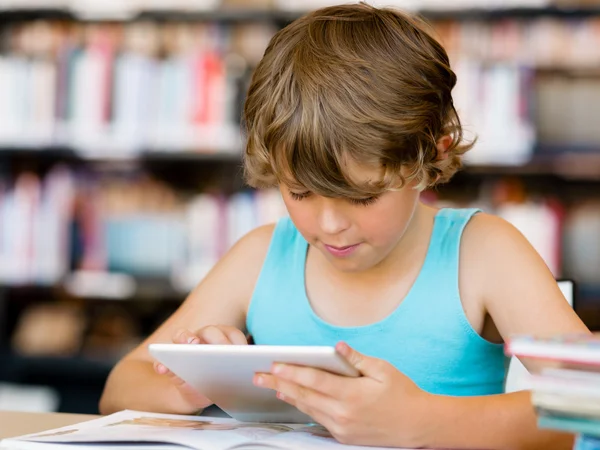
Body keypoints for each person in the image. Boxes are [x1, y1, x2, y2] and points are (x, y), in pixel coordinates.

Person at [100, 3, 589, 449]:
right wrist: (188, 383)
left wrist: (424, 421)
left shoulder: (483, 253)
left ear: (429, 155)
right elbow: (121, 386)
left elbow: (588, 405)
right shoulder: (260, 257)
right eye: (300, 193)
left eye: (362, 195)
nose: (330, 224)